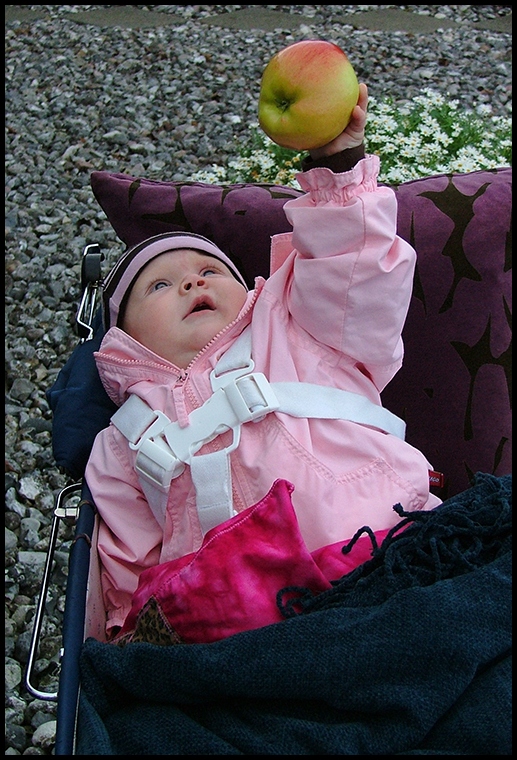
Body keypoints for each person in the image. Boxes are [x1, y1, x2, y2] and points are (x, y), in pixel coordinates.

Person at [85, 83, 442, 638]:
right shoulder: (122, 442)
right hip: (242, 623)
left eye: (210, 271)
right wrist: (130, 632)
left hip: (385, 544)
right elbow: (128, 556)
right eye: (160, 285)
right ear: (124, 336)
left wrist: (337, 168)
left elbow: (353, 267)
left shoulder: (300, 324)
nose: (193, 282)